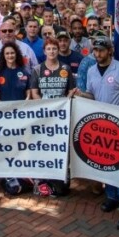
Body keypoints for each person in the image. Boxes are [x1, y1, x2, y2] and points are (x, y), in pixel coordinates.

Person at [75, 36, 119, 231]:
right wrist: (80, 95)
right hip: (101, 125)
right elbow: (91, 95)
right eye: (95, 50)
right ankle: (111, 196)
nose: (97, 54)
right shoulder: (91, 70)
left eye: (101, 50)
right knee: (105, 162)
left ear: (110, 51)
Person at [29, 37, 74, 197]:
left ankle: (61, 179)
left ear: (58, 50)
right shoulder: (37, 69)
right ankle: (43, 181)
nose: (52, 51)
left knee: (61, 148)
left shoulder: (65, 68)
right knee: (45, 147)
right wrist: (47, 108)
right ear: (44, 51)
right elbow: (34, 92)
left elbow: (71, 90)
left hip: (62, 118)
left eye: (54, 48)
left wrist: (62, 104)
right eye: (49, 49)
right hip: (44, 117)